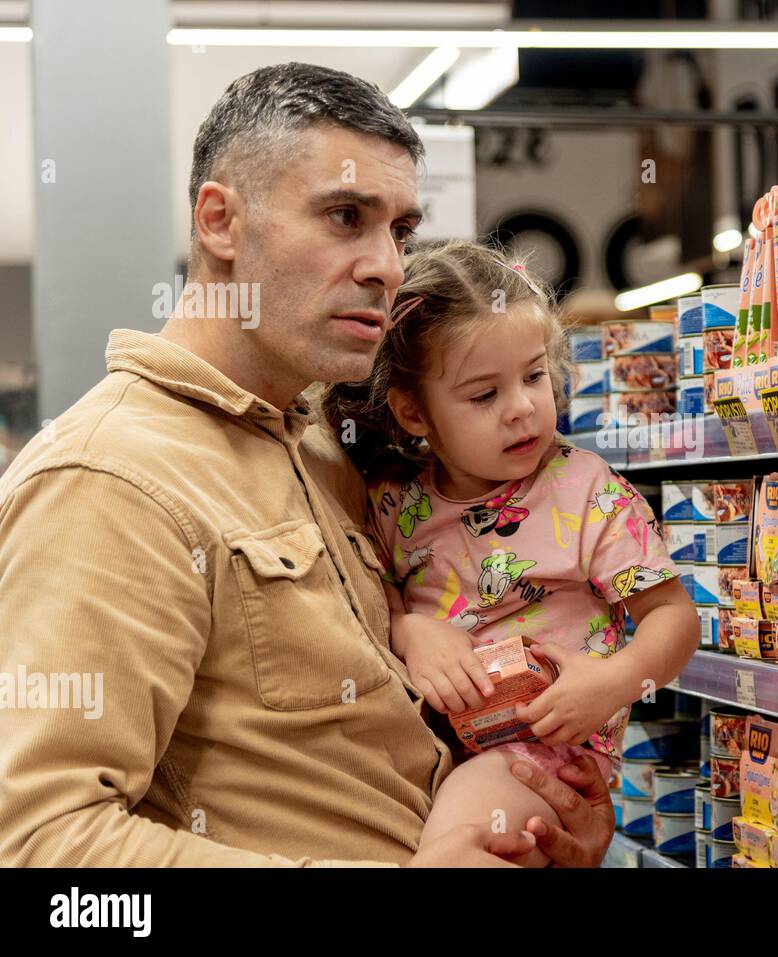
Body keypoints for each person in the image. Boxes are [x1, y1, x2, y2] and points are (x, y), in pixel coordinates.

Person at [0, 62, 614, 867]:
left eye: (398, 231)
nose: (387, 267)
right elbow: (42, 847)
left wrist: (543, 812)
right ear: (220, 221)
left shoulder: (324, 445)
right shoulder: (110, 479)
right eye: (345, 217)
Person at [323, 241, 699, 867]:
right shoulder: (395, 503)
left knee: (461, 845)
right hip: (431, 741)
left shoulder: (586, 493)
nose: (522, 407)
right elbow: (377, 583)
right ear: (415, 413)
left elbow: (673, 617)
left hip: (541, 745)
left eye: (533, 376)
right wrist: (410, 629)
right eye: (483, 395)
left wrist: (610, 683)